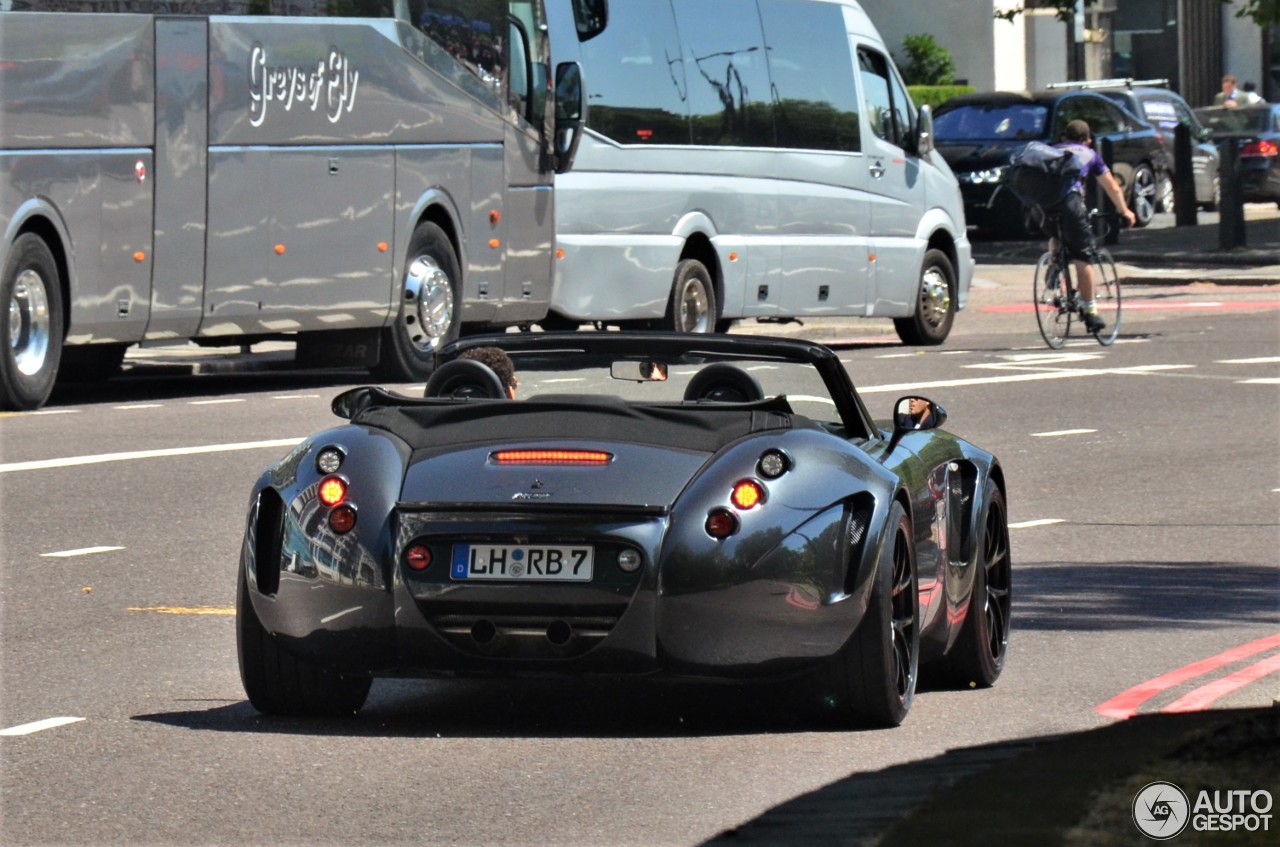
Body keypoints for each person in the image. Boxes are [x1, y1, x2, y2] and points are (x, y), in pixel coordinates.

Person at [1044, 119, 1136, 334]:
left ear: (1064, 138)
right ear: (1088, 140)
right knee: (1083, 256)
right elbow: (1112, 187)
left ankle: (1054, 262)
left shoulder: (1050, 151)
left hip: (1041, 208)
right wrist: (1124, 211)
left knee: (1057, 231)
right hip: (1071, 205)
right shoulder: (1090, 154)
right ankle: (1090, 312)